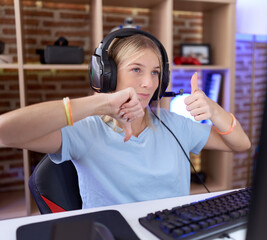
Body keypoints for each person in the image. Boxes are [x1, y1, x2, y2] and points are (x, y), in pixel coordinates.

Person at [0, 29, 251, 209]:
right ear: (106, 76)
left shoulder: (173, 124)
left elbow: (240, 145)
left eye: (155, 73)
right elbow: (5, 132)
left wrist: (214, 110)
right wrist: (101, 102)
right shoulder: (85, 131)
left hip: (171, 231)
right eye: (136, 70)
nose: (149, 83)